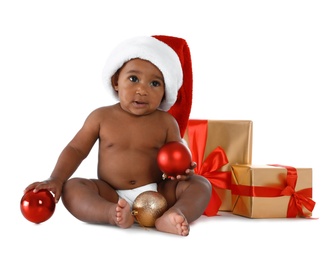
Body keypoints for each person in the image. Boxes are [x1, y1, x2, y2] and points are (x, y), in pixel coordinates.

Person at [23, 35, 212, 236]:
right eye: (133, 79)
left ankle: (174, 214)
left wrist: (183, 171)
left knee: (200, 184)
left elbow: (177, 157)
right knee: (72, 188)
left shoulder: (166, 122)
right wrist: (56, 179)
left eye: (155, 84)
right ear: (115, 82)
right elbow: (76, 149)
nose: (142, 90)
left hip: (158, 192)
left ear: (165, 92)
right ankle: (111, 213)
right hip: (110, 193)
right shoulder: (101, 117)